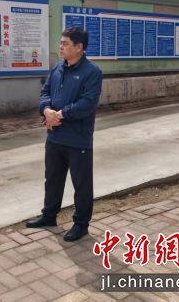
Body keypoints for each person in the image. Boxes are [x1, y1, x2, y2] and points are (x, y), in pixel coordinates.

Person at [26, 27, 102, 242]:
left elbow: (87, 103)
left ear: (79, 47)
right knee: (52, 179)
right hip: (55, 136)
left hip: (78, 139)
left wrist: (60, 114)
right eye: (60, 43)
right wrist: (46, 110)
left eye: (65, 44)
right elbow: (45, 92)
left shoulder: (92, 72)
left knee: (81, 184)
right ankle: (49, 215)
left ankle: (81, 224)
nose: (60, 47)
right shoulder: (57, 68)